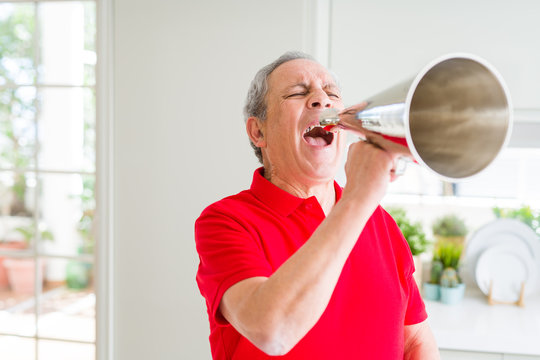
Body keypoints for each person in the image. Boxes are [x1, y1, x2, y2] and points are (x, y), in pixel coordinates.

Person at [195, 51, 440, 359]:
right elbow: (273, 330)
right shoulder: (226, 221)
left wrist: (359, 201)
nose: (321, 100)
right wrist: (359, 196)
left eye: (332, 94)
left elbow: (416, 341)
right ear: (259, 132)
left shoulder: (379, 222)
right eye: (298, 93)